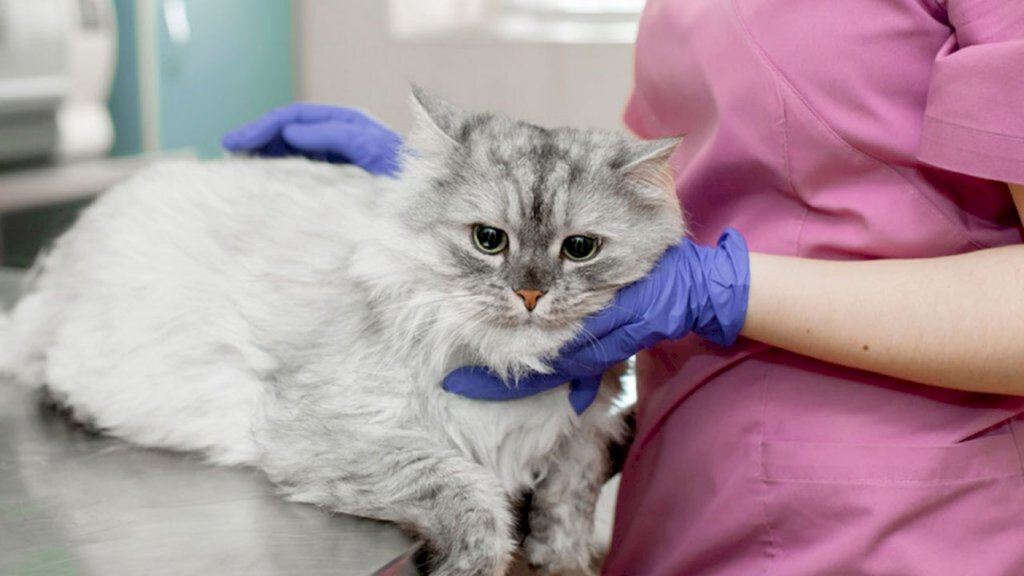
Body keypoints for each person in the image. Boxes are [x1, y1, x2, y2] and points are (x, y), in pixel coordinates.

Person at [223, 0, 1024, 572]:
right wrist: (447, 189)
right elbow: (663, 189)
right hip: (683, 483)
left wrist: (723, 290)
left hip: (892, 520)